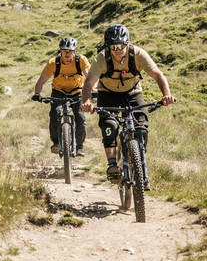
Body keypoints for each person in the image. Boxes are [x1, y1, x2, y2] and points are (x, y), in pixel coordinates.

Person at [81, 24, 176, 185]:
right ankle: (112, 165)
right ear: (108, 46)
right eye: (113, 46)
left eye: (121, 45)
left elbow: (158, 75)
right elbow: (89, 82)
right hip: (108, 94)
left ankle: (138, 160)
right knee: (109, 125)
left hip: (132, 93)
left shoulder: (138, 54)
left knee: (141, 127)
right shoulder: (102, 58)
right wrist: (87, 101)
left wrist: (166, 94)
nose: (118, 50)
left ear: (128, 43)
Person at [31, 36, 90, 156]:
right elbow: (41, 80)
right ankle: (56, 143)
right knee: (54, 113)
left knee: (80, 116)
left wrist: (93, 91)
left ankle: (79, 146)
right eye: (65, 51)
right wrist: (37, 94)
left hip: (77, 91)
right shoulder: (53, 63)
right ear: (60, 51)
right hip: (59, 91)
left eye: (70, 51)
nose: (67, 54)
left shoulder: (81, 60)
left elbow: (89, 78)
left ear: (75, 51)